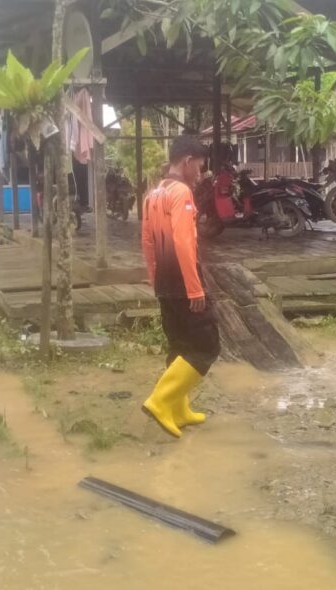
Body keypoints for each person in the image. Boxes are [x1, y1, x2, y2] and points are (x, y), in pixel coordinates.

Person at [141, 136, 220, 438]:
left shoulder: (153, 194)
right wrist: (195, 288)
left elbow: (147, 242)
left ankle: (178, 409)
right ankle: (160, 401)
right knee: (206, 346)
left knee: (180, 345)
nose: (200, 175)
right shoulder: (181, 193)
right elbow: (184, 241)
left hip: (164, 282)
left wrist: (155, 279)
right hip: (184, 284)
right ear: (187, 162)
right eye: (199, 168)